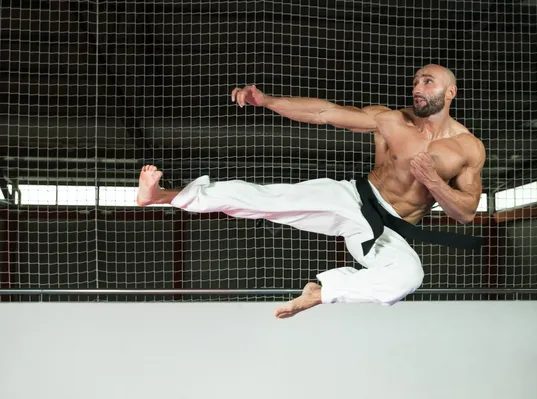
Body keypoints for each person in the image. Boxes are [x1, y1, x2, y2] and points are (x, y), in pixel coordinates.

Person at [136, 64, 486, 319]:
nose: (417, 87)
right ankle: (165, 196)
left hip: (388, 231)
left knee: (408, 277)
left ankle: (321, 292)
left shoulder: (468, 149)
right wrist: (268, 101)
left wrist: (435, 183)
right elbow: (325, 113)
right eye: (415, 81)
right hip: (354, 199)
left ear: (450, 91)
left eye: (428, 81)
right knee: (268, 199)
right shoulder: (391, 121)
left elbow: (466, 212)